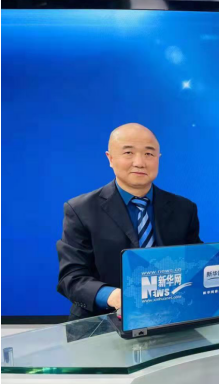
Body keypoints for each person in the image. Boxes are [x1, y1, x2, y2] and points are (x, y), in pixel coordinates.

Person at [57, 123, 202, 320]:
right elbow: (71, 277)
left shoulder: (184, 209)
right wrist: (114, 297)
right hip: (102, 322)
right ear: (110, 158)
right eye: (128, 153)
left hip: (170, 318)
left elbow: (194, 262)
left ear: (158, 158)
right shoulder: (80, 210)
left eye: (149, 154)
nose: (139, 162)